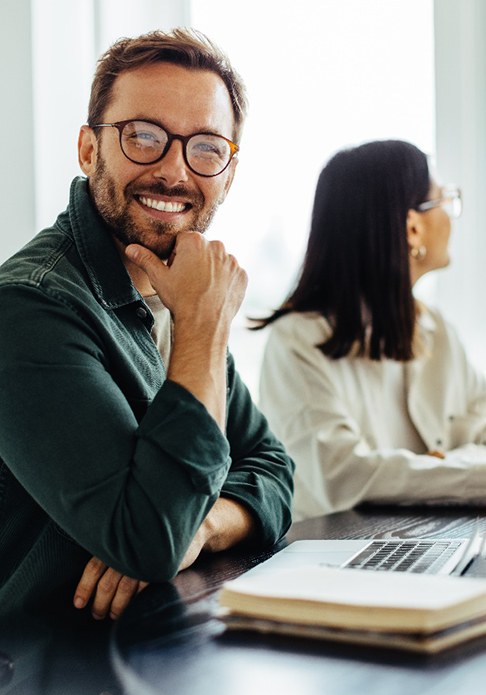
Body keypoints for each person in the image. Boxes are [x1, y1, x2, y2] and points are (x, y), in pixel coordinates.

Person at [0, 28, 293, 619]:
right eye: (144, 137)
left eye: (207, 147)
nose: (174, 171)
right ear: (89, 150)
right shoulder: (29, 306)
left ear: (228, 173)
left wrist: (205, 525)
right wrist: (206, 325)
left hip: (156, 642)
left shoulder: (175, 293)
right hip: (43, 679)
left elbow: (272, 469)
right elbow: (150, 542)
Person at [256, 139, 486, 520]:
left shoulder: (437, 329)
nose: (451, 216)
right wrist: (457, 469)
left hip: (433, 535)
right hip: (338, 555)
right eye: (445, 200)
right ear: (413, 228)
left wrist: (439, 465)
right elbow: (344, 477)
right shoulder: (297, 341)